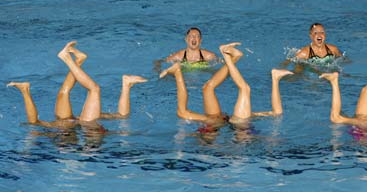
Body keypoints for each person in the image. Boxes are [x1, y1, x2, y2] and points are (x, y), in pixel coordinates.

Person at [7, 41, 147, 128]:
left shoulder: (56, 132)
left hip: (84, 126)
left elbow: (35, 124)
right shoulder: (59, 132)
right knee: (74, 92)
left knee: (92, 91)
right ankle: (69, 59)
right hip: (83, 126)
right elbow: (35, 123)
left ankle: (74, 60)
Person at [159, 42, 293, 125]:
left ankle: (232, 57)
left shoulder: (210, 133)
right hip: (234, 124)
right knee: (241, 89)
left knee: (209, 88)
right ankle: (230, 57)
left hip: (222, 122)